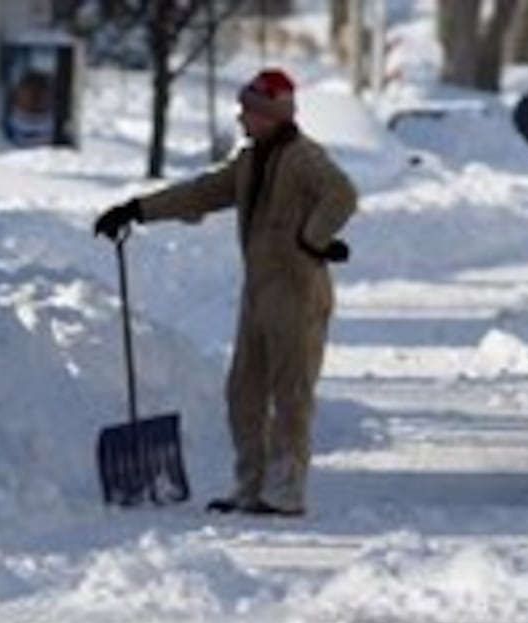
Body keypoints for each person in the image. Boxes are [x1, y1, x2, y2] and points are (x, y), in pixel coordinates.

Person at [93, 68, 359, 518]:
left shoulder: (303, 157)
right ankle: (250, 487)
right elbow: (202, 192)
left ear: (273, 116)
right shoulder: (251, 161)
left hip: (296, 289)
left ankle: (286, 490)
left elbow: (342, 194)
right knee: (244, 392)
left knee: (290, 392)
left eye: (251, 111)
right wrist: (137, 210)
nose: (242, 118)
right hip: (259, 292)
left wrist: (314, 239)